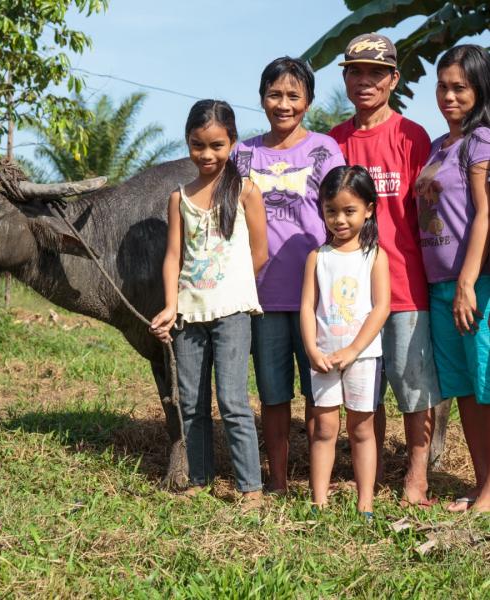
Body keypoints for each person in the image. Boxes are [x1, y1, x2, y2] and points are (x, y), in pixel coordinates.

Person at [329, 33, 443, 506]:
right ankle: (367, 479)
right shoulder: (333, 141)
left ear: (394, 79)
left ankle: (416, 476)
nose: (365, 81)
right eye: (356, 71)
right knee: (364, 391)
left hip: (403, 283)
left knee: (410, 381)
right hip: (347, 289)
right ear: (345, 78)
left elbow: (431, 211)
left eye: (376, 72)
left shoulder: (411, 137)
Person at [150, 99, 269, 508]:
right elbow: (173, 256)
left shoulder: (246, 191)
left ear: (232, 143)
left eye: (217, 145)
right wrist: (170, 306)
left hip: (233, 311)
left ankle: (249, 486)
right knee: (193, 402)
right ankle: (198, 479)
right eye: (198, 145)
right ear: (188, 142)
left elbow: (260, 251)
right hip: (189, 312)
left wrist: (232, 286)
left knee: (233, 401)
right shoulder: (178, 197)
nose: (207, 154)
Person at [234, 57, 345, 494]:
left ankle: (319, 483)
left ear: (309, 101)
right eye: (275, 94)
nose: (283, 104)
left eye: (293, 96)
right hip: (261, 294)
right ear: (262, 98)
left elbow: (341, 212)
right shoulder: (243, 153)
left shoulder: (324, 149)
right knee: (273, 394)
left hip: (316, 296)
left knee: (319, 394)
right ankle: (277, 481)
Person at [414, 45, 490, 513]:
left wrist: (467, 281)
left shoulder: (482, 139)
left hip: (475, 284)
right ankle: (482, 485)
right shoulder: (439, 146)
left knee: (486, 384)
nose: (448, 95)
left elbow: (485, 214)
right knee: (463, 389)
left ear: (480, 88)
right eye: (442, 86)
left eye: (459, 86)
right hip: (439, 287)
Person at [301, 165, 390, 516]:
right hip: (323, 356)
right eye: (331, 211)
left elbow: (381, 307)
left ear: (369, 209)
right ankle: (318, 502)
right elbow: (307, 307)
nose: (339, 220)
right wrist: (311, 348)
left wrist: (354, 349)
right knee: (324, 427)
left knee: (361, 428)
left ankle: (365, 503)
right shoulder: (317, 258)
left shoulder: (374, 256)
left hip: (363, 358)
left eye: (349, 211)